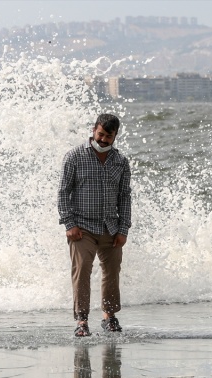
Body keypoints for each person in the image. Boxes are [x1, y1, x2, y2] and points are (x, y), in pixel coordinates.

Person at [57, 113, 132, 336]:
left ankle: (109, 317)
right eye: (100, 134)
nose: (103, 140)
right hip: (82, 228)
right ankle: (81, 320)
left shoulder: (121, 162)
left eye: (108, 136)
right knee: (82, 271)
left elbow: (125, 197)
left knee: (111, 272)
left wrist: (123, 229)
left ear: (115, 136)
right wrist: (69, 224)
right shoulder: (74, 156)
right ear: (93, 130)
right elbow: (63, 193)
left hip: (111, 227)